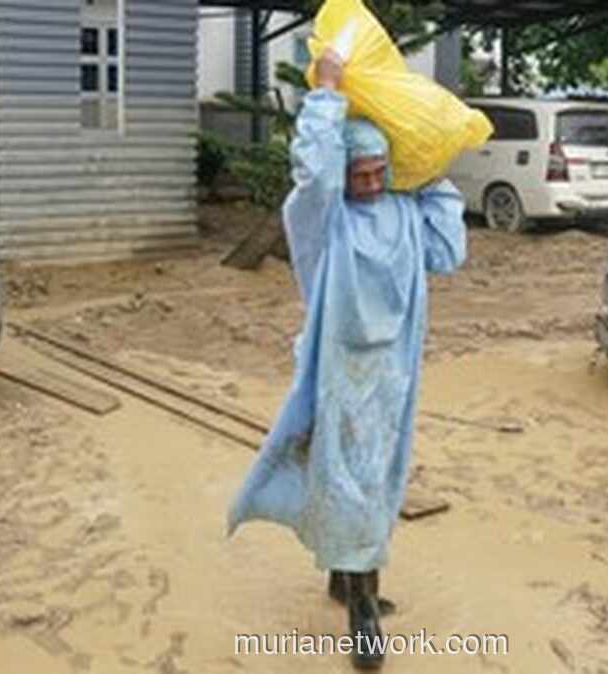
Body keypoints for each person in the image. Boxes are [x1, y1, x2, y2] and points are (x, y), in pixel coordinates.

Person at [226, 48, 467, 670]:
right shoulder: (323, 223)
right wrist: (327, 92)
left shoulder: (406, 214)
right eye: (358, 171)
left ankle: (344, 577)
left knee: (375, 480)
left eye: (378, 171)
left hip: (393, 378)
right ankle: (363, 610)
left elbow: (448, 253)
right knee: (351, 481)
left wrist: (433, 171)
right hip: (338, 375)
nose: (368, 182)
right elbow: (314, 173)